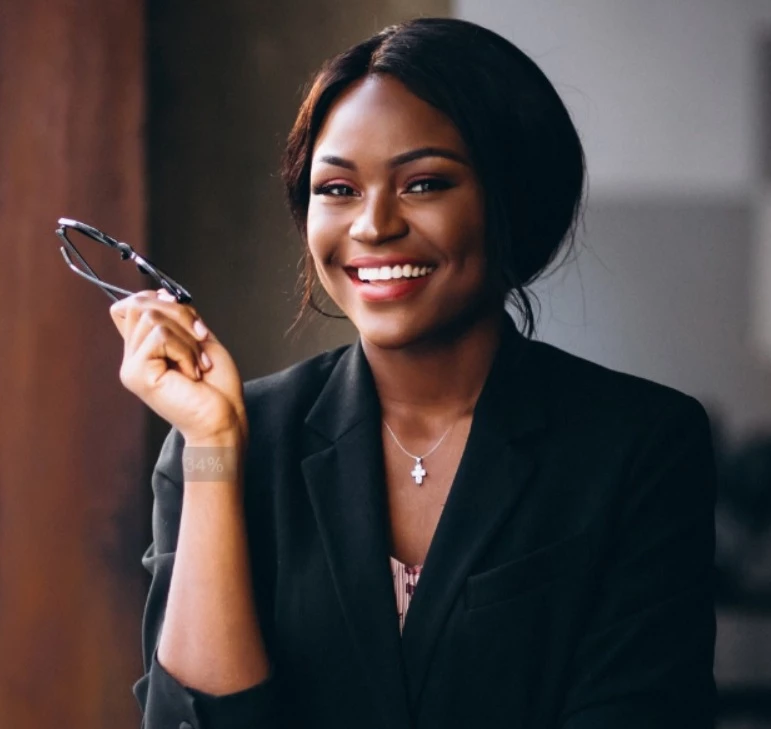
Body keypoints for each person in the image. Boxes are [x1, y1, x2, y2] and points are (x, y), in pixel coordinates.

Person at [112, 17, 715, 729]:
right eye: (336, 189)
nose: (372, 224)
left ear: (511, 198)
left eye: (423, 183)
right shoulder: (222, 447)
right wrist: (212, 448)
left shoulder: (639, 446)